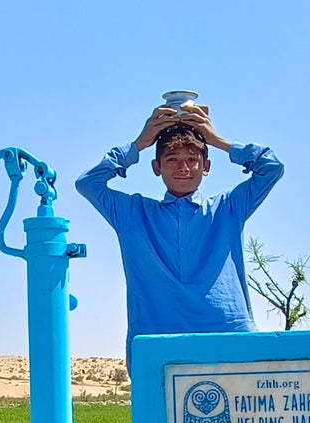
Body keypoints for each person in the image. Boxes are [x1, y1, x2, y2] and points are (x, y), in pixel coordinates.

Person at [76, 103, 284, 370]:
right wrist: (138, 144)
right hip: (156, 341)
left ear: (206, 166)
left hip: (230, 337)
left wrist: (218, 140)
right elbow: (87, 183)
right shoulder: (133, 213)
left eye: (192, 159)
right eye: (172, 159)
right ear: (156, 167)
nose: (183, 167)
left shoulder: (229, 208)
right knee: (158, 413)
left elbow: (272, 167)